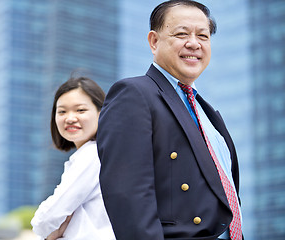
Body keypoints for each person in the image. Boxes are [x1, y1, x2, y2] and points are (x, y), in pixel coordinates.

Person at [97, 1, 243, 240]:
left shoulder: (209, 114)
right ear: (154, 41)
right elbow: (129, 197)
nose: (194, 43)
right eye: (181, 34)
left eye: (203, 36)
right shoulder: (134, 94)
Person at [31, 76, 116, 240]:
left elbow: (48, 216)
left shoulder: (92, 155)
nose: (70, 118)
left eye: (80, 110)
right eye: (62, 111)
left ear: (101, 113)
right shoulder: (98, 155)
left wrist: (45, 230)